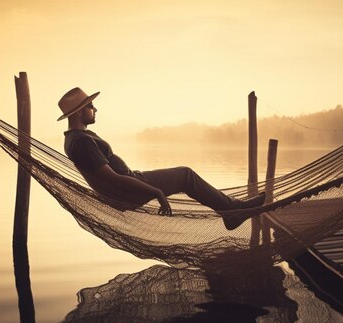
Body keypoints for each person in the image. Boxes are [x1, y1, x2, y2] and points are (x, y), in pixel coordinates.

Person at [57, 87, 265, 230]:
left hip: (130, 183)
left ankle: (231, 210)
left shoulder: (75, 139)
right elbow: (111, 178)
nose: (95, 109)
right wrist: (155, 191)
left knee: (186, 175)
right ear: (77, 113)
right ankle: (232, 211)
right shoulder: (81, 141)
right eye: (90, 106)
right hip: (128, 189)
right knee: (186, 175)